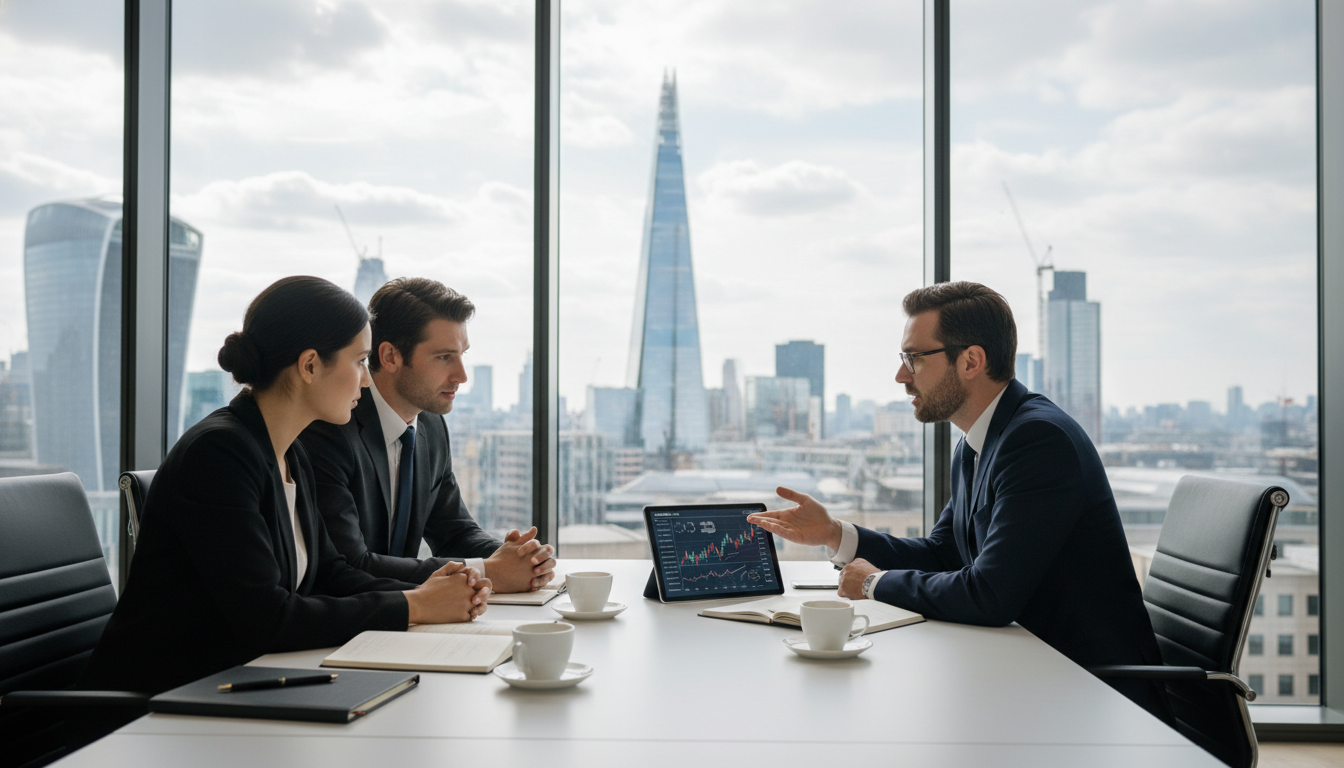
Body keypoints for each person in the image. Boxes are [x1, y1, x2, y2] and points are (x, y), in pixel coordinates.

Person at [748, 281, 1170, 721]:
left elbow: (990, 594)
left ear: (970, 361)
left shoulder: (1039, 441)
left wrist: (874, 584)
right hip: (1029, 672)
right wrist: (836, 535)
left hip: (1092, 697)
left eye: (914, 359)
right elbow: (946, 553)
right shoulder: (980, 440)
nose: (901, 377)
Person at [82, 276, 490, 695]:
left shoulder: (288, 451)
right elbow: (268, 620)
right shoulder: (220, 454)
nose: (366, 381)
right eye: (358, 363)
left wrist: (437, 591)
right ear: (310, 366)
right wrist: (416, 604)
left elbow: (332, 573)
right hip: (159, 703)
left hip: (238, 683)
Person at [299, 278, 556, 593]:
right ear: (390, 356)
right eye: (444, 357)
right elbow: (351, 564)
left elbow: (453, 533)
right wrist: (488, 570)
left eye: (462, 354)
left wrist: (516, 557)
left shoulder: (431, 425)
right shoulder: (331, 428)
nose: (462, 375)